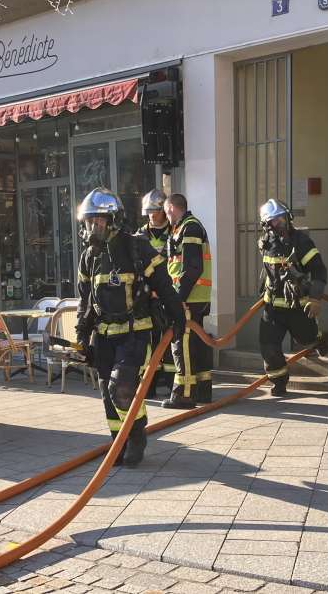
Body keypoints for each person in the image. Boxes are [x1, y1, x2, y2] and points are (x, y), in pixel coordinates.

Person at [75, 188, 185, 467]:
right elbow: (85, 299)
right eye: (88, 222)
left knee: (121, 387)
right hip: (103, 336)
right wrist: (81, 335)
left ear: (113, 220)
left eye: (97, 221)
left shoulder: (136, 248)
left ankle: (136, 436)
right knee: (107, 394)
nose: (92, 228)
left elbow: (164, 285)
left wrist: (178, 319)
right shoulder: (89, 256)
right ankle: (118, 441)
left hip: (135, 332)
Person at [257, 199, 328, 397]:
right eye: (274, 221)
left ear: (288, 218)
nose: (280, 224)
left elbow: (319, 271)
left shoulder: (302, 243)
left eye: (282, 219)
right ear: (266, 225)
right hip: (272, 309)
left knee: (305, 338)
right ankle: (279, 382)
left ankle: (317, 339)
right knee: (268, 347)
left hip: (298, 307)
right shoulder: (266, 243)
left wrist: (315, 298)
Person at [163, 193, 214, 408]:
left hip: (189, 297)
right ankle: (202, 391)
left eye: (166, 212)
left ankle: (183, 394)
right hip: (194, 296)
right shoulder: (184, 227)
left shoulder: (189, 228)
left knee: (181, 342)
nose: (166, 217)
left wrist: (178, 298)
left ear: (173, 208)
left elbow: (193, 267)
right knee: (196, 342)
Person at [134, 189, 174, 400]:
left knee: (168, 340)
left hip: (167, 294)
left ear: (163, 211)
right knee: (147, 342)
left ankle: (170, 384)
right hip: (148, 297)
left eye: (154, 211)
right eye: (148, 211)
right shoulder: (140, 234)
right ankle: (148, 385)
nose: (151, 215)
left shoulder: (175, 232)